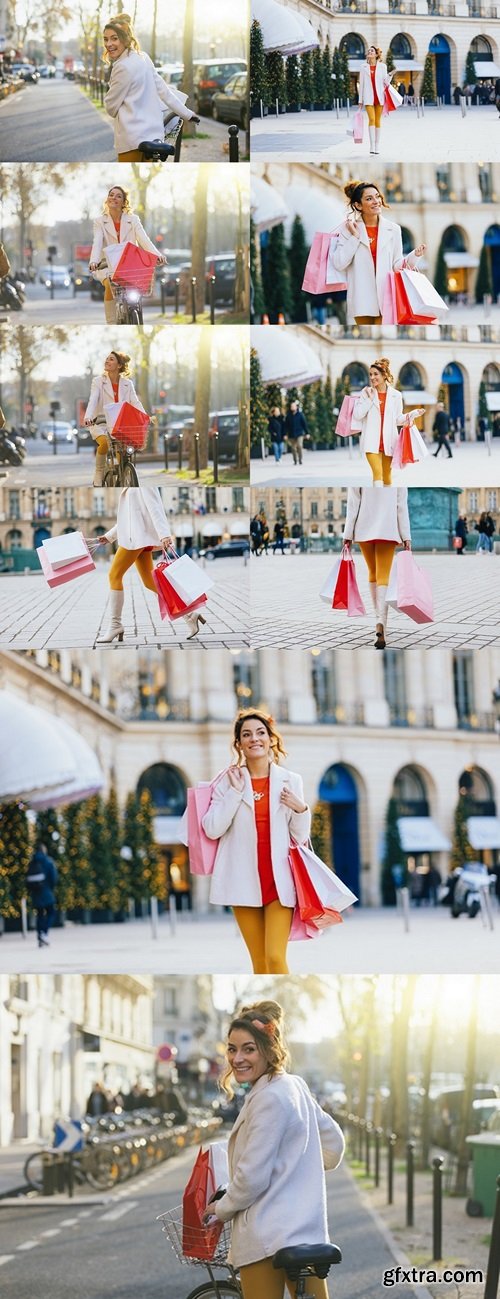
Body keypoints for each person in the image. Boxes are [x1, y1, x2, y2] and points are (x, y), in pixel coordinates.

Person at [204, 999, 345, 1299]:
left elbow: (252, 1178)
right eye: (232, 1048)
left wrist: (223, 1208)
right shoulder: (295, 1085)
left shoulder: (267, 1098)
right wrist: (295, 1168)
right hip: (305, 1232)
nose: (237, 1058)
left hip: (267, 1235)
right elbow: (334, 1146)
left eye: (248, 1049)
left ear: (269, 1050)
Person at [202, 710, 311, 974]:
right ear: (239, 744)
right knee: (259, 963)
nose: (254, 739)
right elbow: (212, 829)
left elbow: (299, 838)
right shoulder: (227, 783)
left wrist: (300, 810)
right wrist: (236, 792)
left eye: (261, 733)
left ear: (271, 739)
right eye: (246, 735)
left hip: (279, 884)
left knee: (275, 957)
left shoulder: (291, 781)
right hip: (242, 883)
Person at [95, 486, 207, 641]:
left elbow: (154, 507)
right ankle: (189, 615)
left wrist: (164, 534)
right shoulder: (130, 478)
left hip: (136, 537)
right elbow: (129, 516)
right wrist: (109, 536)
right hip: (136, 537)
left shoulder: (143, 479)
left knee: (114, 575)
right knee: (150, 582)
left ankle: (115, 625)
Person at [102, 13, 199, 161]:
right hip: (154, 135)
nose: (109, 44)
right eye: (106, 39)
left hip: (132, 140)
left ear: (126, 38)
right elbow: (164, 91)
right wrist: (187, 114)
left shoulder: (121, 66)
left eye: (114, 38)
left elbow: (110, 107)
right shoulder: (144, 57)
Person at [328, 181, 425, 325]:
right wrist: (355, 237)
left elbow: (396, 265)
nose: (376, 201)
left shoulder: (394, 229)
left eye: (377, 196)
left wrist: (414, 256)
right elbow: (339, 263)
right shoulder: (347, 230)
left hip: (387, 297)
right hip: (361, 299)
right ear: (358, 205)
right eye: (369, 198)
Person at [343, 486, 412, 649]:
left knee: (372, 572)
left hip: (363, 527)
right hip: (388, 528)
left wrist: (347, 533)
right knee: (383, 576)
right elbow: (401, 505)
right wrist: (406, 535)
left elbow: (353, 502)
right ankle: (382, 622)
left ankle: (377, 619)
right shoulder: (397, 473)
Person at [89, 184, 168, 324]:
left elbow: (144, 239)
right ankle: (111, 322)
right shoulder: (99, 222)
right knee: (109, 285)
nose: (114, 198)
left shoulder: (133, 219)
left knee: (135, 295)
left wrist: (157, 255)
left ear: (124, 202)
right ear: (107, 199)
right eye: (111, 195)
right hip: (108, 264)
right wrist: (94, 261)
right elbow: (97, 243)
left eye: (118, 196)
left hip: (129, 265)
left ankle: (137, 319)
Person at [352, 357, 425, 484]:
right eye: (370, 374)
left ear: (384, 375)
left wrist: (412, 414)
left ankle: (388, 502)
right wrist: (369, 399)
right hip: (371, 442)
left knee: (387, 478)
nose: (372, 377)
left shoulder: (396, 395)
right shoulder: (366, 393)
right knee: (377, 475)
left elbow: (397, 419)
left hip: (389, 442)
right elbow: (357, 415)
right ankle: (379, 502)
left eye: (376, 374)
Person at [84, 351, 146, 485]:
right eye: (107, 359)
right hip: (100, 422)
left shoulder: (127, 384)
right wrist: (88, 416)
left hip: (120, 424)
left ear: (119, 365)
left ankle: (124, 474)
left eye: (111, 359)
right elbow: (93, 400)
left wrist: (144, 416)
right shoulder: (98, 382)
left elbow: (135, 402)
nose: (107, 361)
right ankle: (99, 471)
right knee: (105, 443)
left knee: (124, 449)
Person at [357, 46, 400, 154]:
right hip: (368, 97)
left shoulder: (382, 66)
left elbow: (385, 81)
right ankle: (371, 146)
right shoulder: (363, 67)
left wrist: (390, 74)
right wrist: (360, 100)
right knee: (371, 119)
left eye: (372, 51)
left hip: (379, 97)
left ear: (376, 54)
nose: (369, 52)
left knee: (377, 121)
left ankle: (377, 145)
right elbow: (361, 84)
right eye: (369, 51)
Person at [26, 843, 58, 949]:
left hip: (36, 893)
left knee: (39, 915)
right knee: (51, 912)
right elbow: (53, 878)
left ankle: (40, 936)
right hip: (47, 891)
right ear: (44, 850)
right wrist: (51, 888)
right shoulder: (48, 861)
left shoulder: (32, 862)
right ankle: (44, 933)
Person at [285, 400, 309, 465]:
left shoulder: (300, 415)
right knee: (293, 448)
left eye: (293, 406)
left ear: (296, 407)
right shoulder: (288, 416)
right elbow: (286, 426)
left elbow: (304, 424)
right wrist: (285, 434)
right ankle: (295, 460)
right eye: (291, 406)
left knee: (299, 446)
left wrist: (307, 433)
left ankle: (300, 459)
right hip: (291, 434)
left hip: (299, 433)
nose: (292, 407)